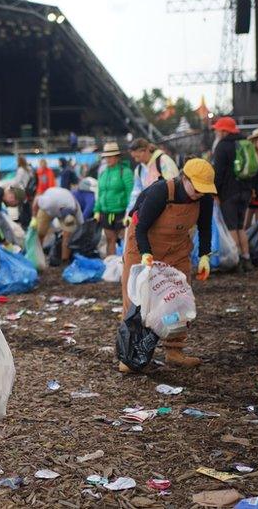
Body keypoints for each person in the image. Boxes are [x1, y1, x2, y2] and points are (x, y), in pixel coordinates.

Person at [120, 159, 217, 372]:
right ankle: (131, 357)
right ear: (185, 179)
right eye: (197, 187)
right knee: (138, 300)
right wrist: (146, 253)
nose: (199, 193)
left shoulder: (204, 199)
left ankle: (175, 350)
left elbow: (205, 228)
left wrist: (204, 256)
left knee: (178, 298)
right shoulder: (160, 192)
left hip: (177, 248)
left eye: (204, 189)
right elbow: (141, 227)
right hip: (141, 244)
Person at [211, 116, 253, 271]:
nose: (216, 132)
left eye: (218, 130)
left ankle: (236, 261)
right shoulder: (245, 142)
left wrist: (214, 192)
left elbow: (219, 173)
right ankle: (247, 258)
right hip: (245, 191)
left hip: (229, 193)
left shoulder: (223, 146)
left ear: (223, 131)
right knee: (241, 227)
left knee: (231, 227)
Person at [94, 142, 133, 257]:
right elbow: (100, 193)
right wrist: (97, 210)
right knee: (110, 240)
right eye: (106, 157)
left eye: (111, 156)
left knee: (126, 242)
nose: (108, 159)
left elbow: (131, 193)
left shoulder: (125, 172)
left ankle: (125, 268)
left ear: (117, 157)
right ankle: (111, 267)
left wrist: (129, 213)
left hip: (121, 214)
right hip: (106, 213)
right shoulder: (103, 173)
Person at [32, 186, 83, 264]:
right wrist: (34, 218)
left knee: (68, 235)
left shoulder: (74, 207)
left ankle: (65, 260)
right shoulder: (47, 203)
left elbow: (81, 223)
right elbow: (36, 201)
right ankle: (38, 256)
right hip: (48, 208)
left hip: (64, 203)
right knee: (40, 232)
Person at [127, 138, 178, 213]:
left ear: (146, 150)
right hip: (148, 211)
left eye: (137, 156)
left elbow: (174, 185)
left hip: (167, 210)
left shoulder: (163, 161)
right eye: (134, 157)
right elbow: (136, 193)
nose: (136, 160)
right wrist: (129, 213)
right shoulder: (139, 169)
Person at [13, 156, 35, 228]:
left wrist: (13, 187)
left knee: (22, 207)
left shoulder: (21, 169)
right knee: (27, 206)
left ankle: (24, 222)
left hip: (21, 190)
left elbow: (17, 182)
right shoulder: (29, 169)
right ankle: (28, 221)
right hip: (29, 190)